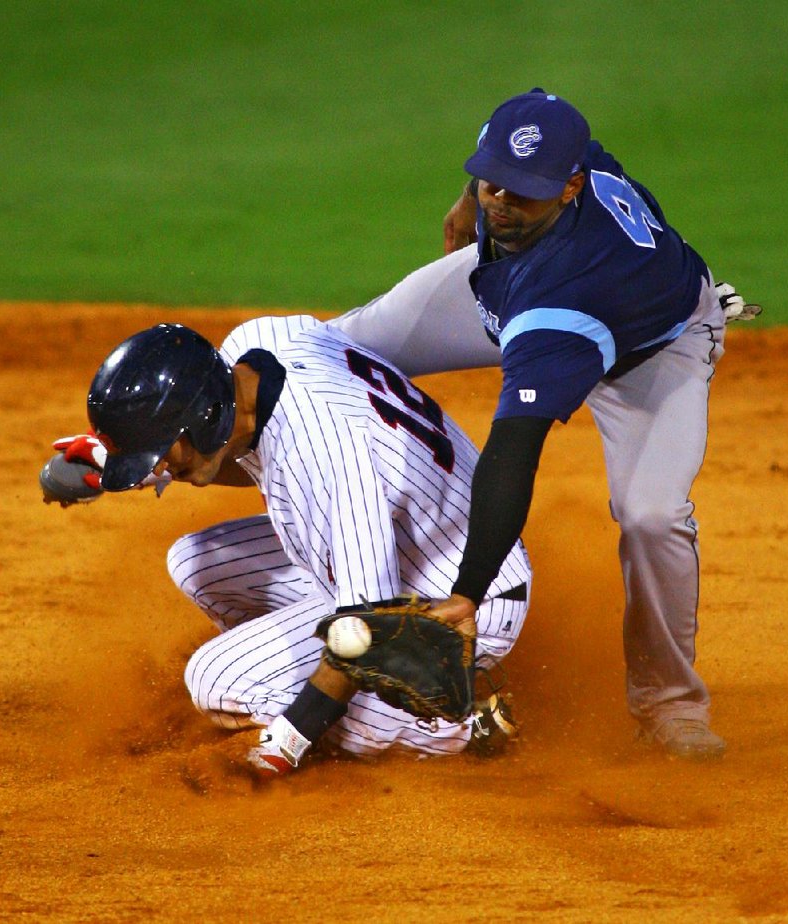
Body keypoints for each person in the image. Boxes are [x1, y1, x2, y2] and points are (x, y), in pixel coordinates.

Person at [331, 88, 747, 760]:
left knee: (651, 514)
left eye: (521, 194)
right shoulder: (555, 160)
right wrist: (471, 200)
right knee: (334, 349)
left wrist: (467, 593)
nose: (502, 202)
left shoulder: (564, 296)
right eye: (494, 183)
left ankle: (671, 706)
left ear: (570, 188)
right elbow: (515, 144)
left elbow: (514, 451)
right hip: (531, 298)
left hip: (654, 347)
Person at [82, 315, 532, 773]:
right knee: (194, 562)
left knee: (216, 681)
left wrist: (295, 731)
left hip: (449, 603)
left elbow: (365, 630)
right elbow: (262, 455)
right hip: (394, 546)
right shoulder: (258, 347)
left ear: (203, 418)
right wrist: (133, 463)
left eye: (162, 449)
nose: (162, 463)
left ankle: (462, 724)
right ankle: (289, 675)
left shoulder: (325, 455)